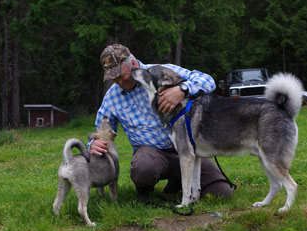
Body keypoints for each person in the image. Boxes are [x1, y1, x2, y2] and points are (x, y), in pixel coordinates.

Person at [89, 43, 234, 204]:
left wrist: (182, 89)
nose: (119, 82)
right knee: (143, 167)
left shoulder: (162, 71)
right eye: (114, 79)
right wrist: (93, 144)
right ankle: (145, 189)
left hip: (186, 146)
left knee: (222, 193)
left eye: (121, 76)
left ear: (134, 64)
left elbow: (207, 81)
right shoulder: (112, 98)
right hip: (151, 153)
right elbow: (103, 131)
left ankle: (178, 181)